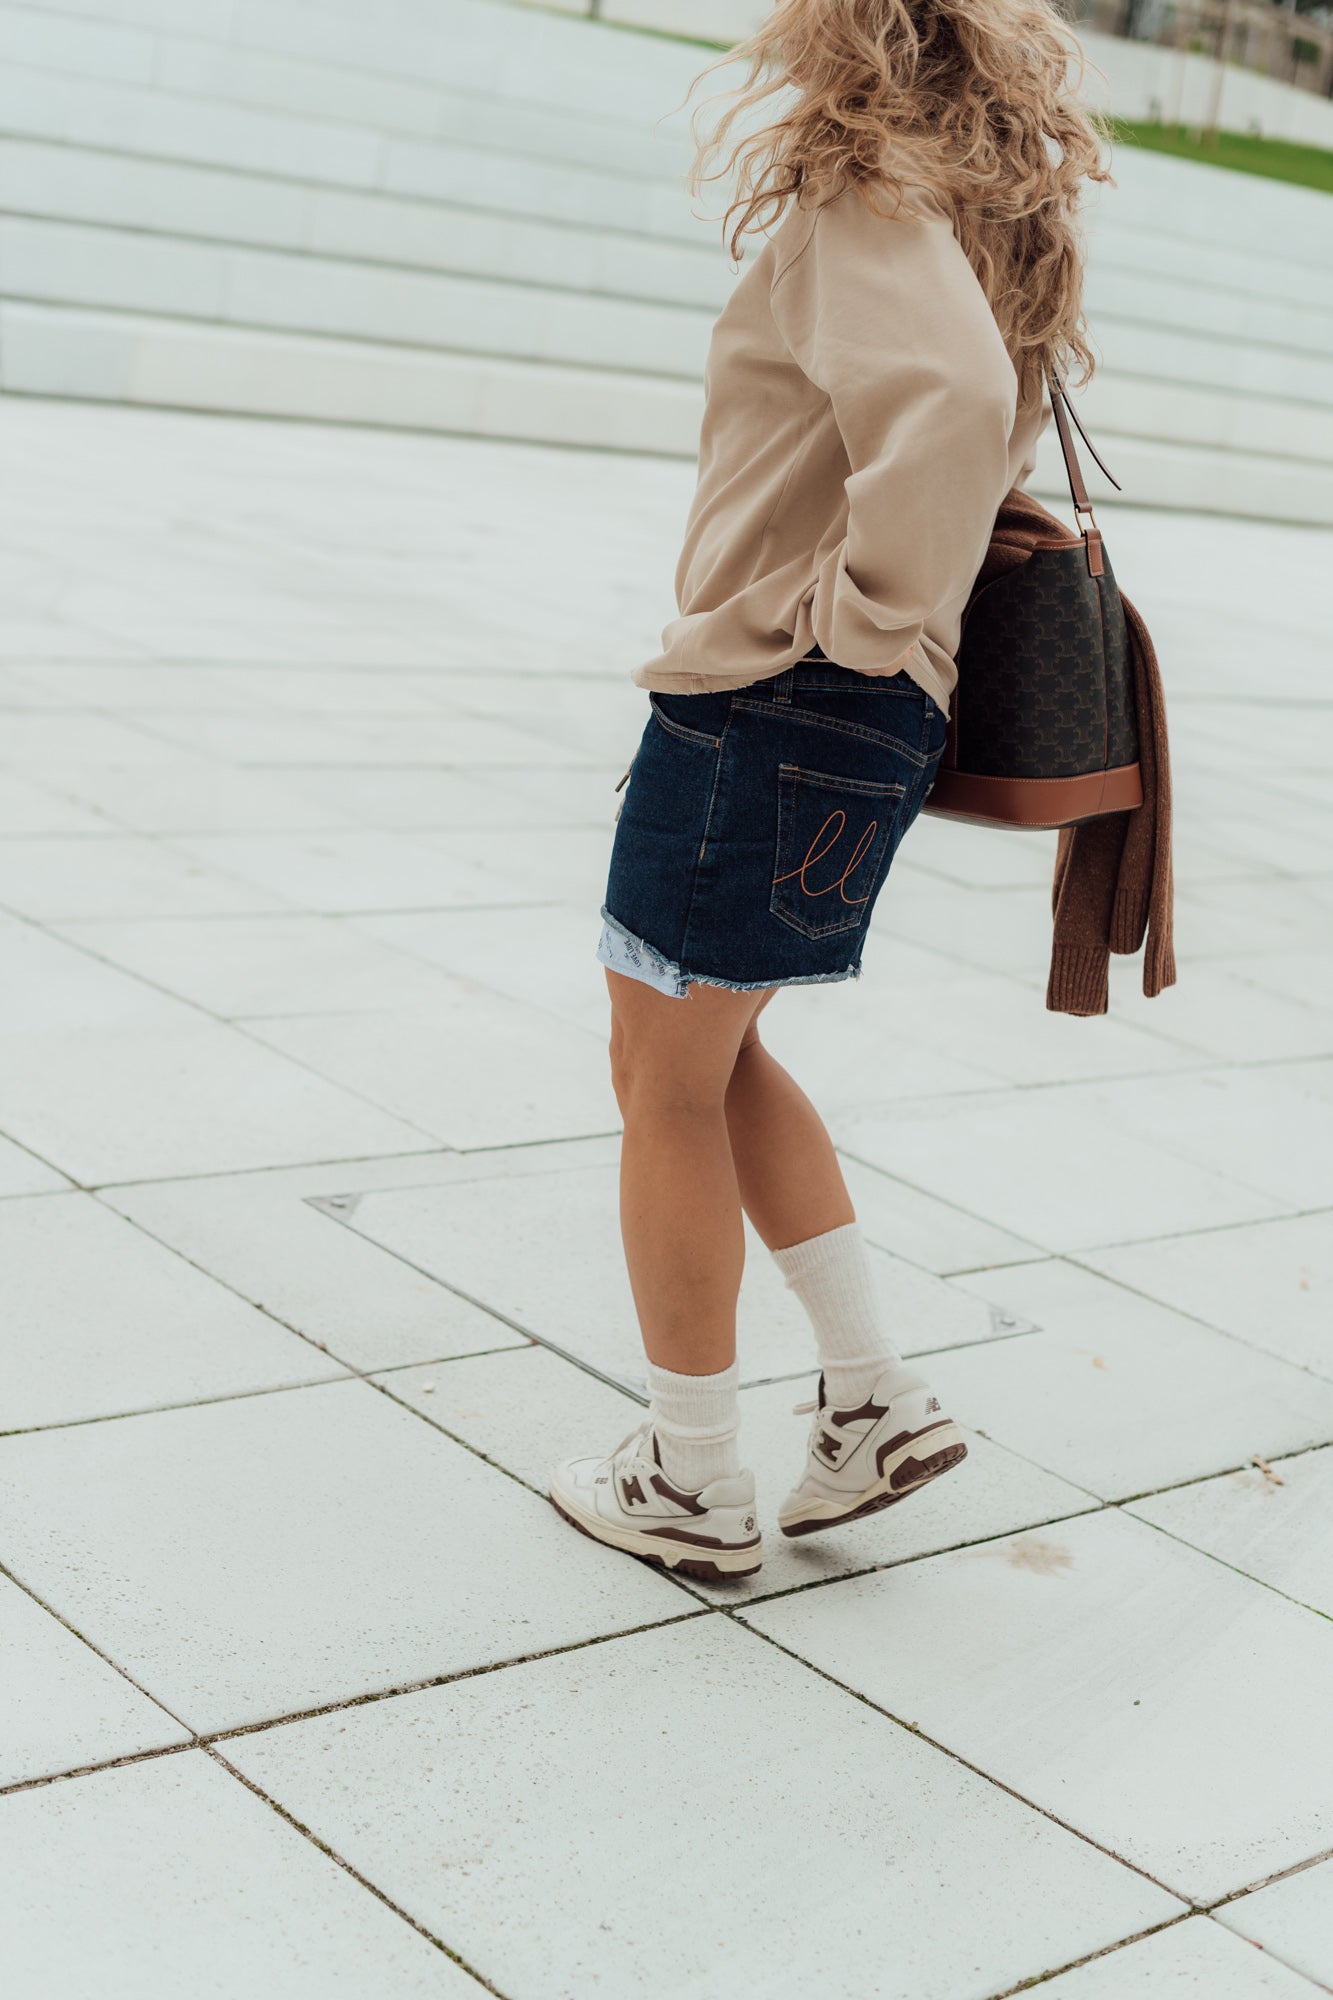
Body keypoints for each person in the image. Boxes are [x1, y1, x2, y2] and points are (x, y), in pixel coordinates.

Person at [549, 0, 1108, 1579]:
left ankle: (688, 1475)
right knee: (709, 1059)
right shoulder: (966, 218)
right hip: (844, 712)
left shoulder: (869, 194)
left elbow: (930, 406)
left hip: (774, 700)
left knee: (657, 1074)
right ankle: (869, 1401)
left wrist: (848, 620)